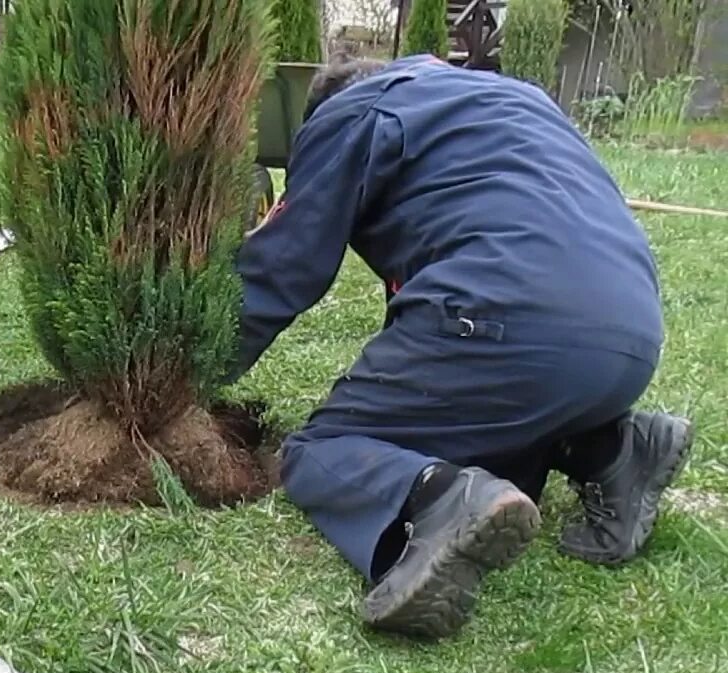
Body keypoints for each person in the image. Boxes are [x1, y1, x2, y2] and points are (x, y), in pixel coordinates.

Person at [232, 55, 694, 639]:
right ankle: (615, 447)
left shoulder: (354, 112)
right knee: (489, 413)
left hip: (513, 317)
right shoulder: (515, 99)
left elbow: (282, 269)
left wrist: (184, 369)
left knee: (323, 447)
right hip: (632, 331)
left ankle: (437, 500)